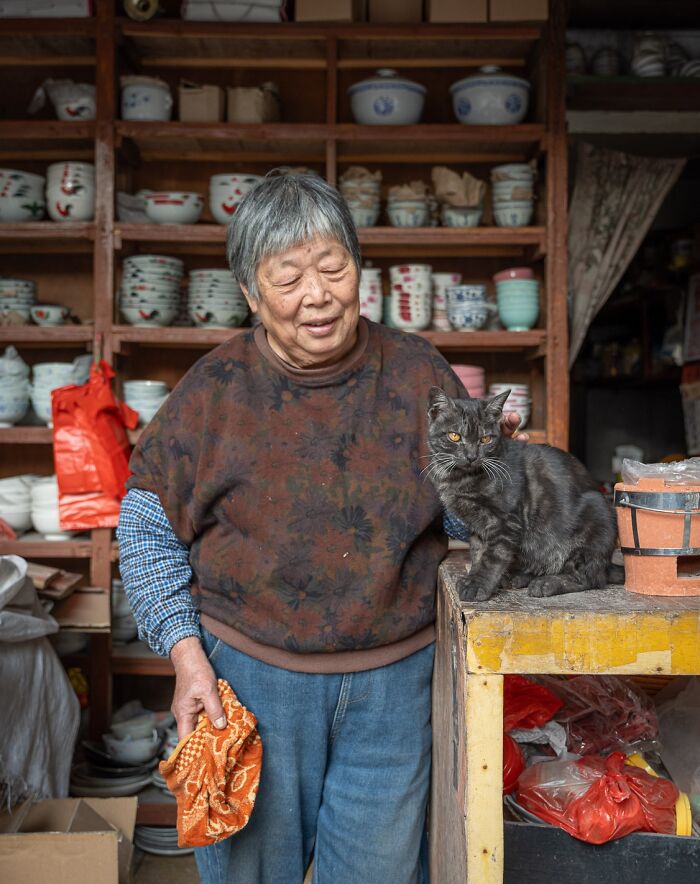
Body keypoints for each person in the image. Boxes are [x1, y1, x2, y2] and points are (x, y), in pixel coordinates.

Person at [117, 171, 523, 884]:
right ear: (250, 292)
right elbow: (147, 529)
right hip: (248, 680)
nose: (318, 295)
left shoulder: (415, 373)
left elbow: (462, 519)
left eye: (334, 268)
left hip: (395, 689)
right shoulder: (212, 392)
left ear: (358, 268)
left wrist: (488, 468)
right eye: (289, 277)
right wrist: (185, 654)